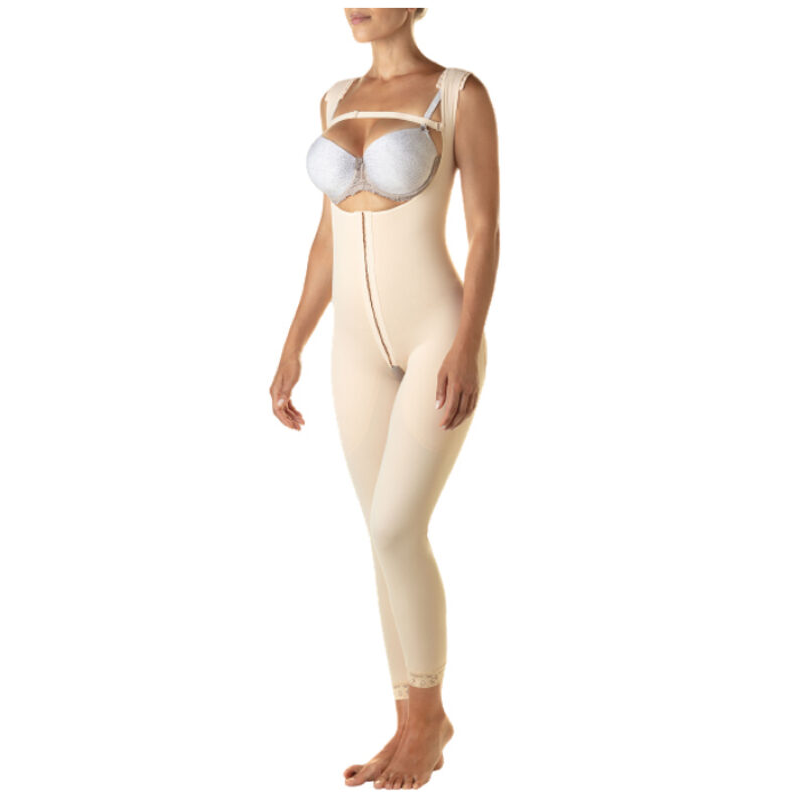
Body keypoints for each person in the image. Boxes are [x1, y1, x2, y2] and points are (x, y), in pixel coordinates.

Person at [270, 8, 500, 791]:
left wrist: (466, 342)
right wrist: (294, 343)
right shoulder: (334, 99)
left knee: (398, 526)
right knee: (380, 536)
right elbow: (326, 239)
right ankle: (408, 721)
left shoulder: (459, 94)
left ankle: (430, 717)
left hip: (437, 333)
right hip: (353, 348)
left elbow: (485, 229)